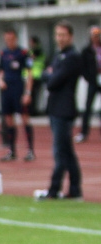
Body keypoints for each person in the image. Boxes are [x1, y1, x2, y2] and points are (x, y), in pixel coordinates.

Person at [35, 21, 83, 201]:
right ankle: (75, 189)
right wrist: (49, 74)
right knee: (67, 152)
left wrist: (50, 74)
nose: (60, 39)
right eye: (57, 35)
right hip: (56, 108)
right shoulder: (59, 55)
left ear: (70, 36)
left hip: (64, 108)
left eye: (63, 35)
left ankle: (54, 189)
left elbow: (53, 80)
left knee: (61, 151)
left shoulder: (72, 57)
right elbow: (46, 76)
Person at [0, 28, 35, 162]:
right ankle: (12, 150)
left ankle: (30, 150)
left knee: (24, 118)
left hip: (19, 87)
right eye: (6, 39)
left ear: (16, 38)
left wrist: (27, 92)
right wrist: (0, 80)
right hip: (7, 89)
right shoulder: (3, 53)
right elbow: (1, 70)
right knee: (8, 119)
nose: (9, 42)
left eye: (11, 39)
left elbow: (30, 73)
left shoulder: (24, 53)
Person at [75, 26, 101, 142]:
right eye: (94, 35)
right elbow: (82, 66)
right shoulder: (86, 50)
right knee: (88, 107)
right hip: (93, 81)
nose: (96, 38)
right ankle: (84, 132)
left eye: (97, 35)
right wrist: (89, 78)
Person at [28, 35, 46, 117]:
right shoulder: (33, 51)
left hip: (36, 75)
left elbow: (32, 59)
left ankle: (33, 111)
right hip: (33, 75)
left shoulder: (38, 50)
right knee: (32, 94)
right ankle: (31, 110)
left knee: (34, 94)